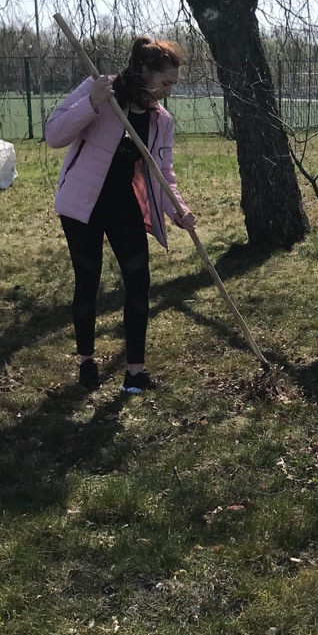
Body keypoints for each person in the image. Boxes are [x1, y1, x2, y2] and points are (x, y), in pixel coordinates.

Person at [45, 37, 196, 393]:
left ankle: (135, 373)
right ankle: (86, 362)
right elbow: (54, 134)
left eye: (172, 84)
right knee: (88, 280)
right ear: (145, 71)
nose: (168, 92)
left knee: (139, 281)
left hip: (122, 204)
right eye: (165, 82)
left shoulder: (161, 120)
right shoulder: (101, 88)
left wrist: (179, 210)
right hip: (82, 203)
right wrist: (91, 103)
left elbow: (163, 172)